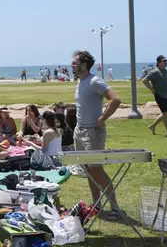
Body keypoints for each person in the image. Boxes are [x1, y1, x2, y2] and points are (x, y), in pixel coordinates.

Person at [72, 50, 123, 219]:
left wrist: (103, 118)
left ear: (84, 65)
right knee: (88, 169)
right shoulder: (80, 82)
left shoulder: (94, 81)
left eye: (75, 63)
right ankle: (96, 206)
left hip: (92, 132)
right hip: (79, 131)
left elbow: (115, 99)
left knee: (97, 169)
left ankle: (115, 207)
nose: (72, 65)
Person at [143, 55, 167, 136]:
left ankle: (152, 126)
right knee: (165, 113)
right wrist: (152, 89)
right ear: (158, 62)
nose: (166, 62)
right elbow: (145, 80)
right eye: (164, 61)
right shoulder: (155, 72)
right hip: (160, 95)